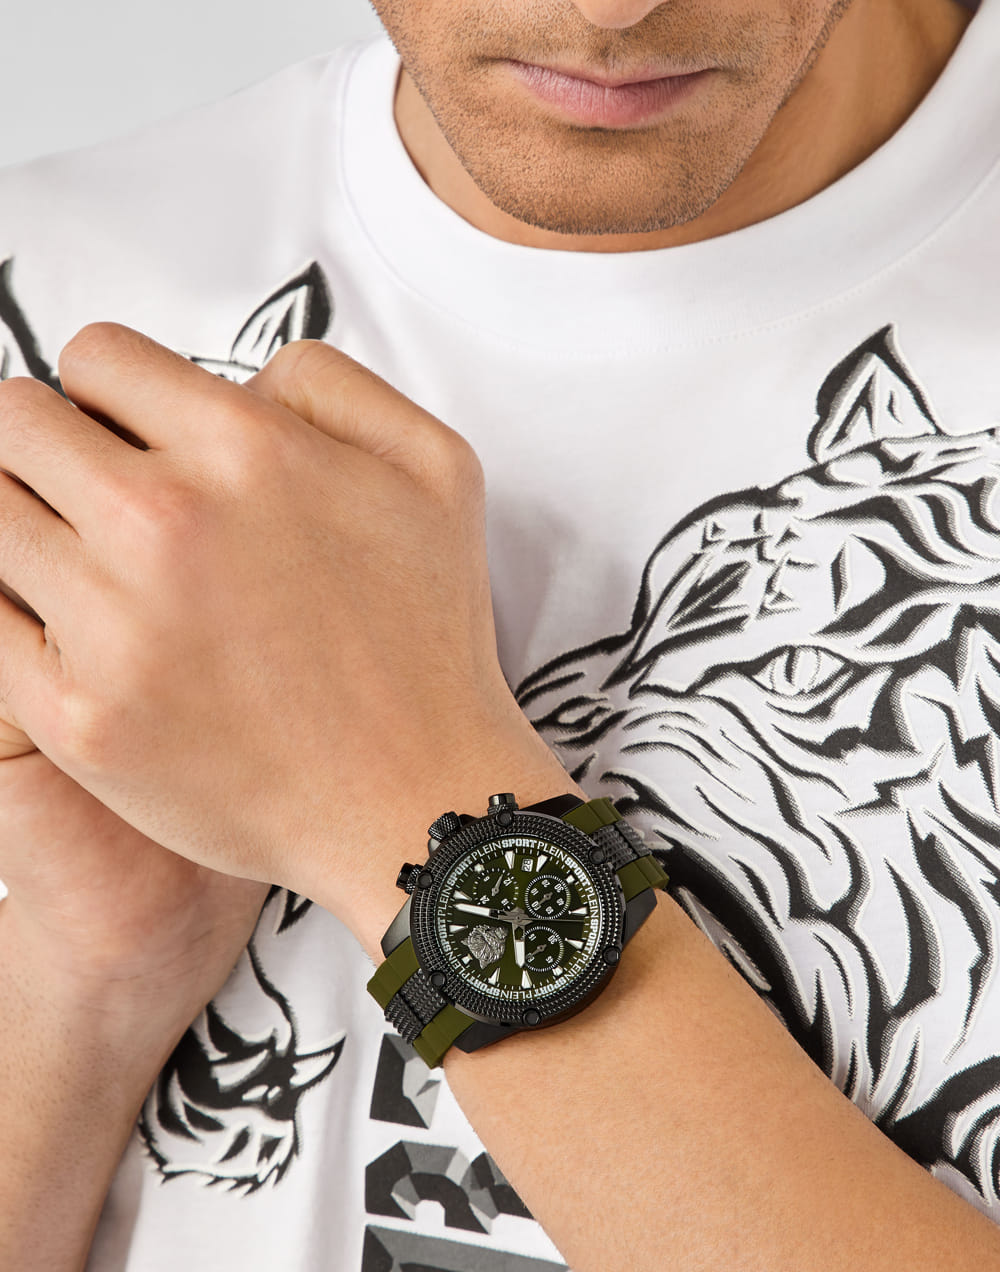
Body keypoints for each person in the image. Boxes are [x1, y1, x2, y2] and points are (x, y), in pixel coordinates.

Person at [1, 0, 999, 1268]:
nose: (607, 9)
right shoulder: (41, 284)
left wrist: (395, 804)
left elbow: (395, 805)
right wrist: (84, 967)